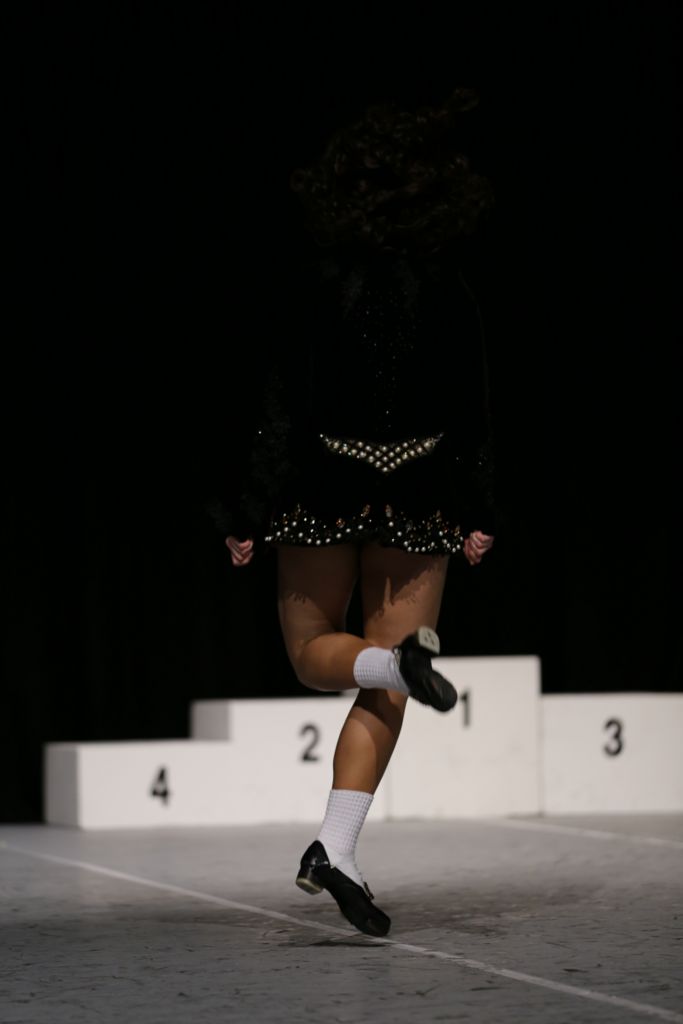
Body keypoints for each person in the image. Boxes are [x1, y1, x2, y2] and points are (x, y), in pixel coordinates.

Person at [206, 87, 500, 937]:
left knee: (314, 658)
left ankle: (341, 835)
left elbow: (275, 409)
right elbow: (473, 413)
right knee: (390, 676)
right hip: (421, 494)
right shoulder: (449, 291)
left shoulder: (310, 287)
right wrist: (479, 511)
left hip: (320, 488)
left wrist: (245, 510)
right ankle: (336, 846)